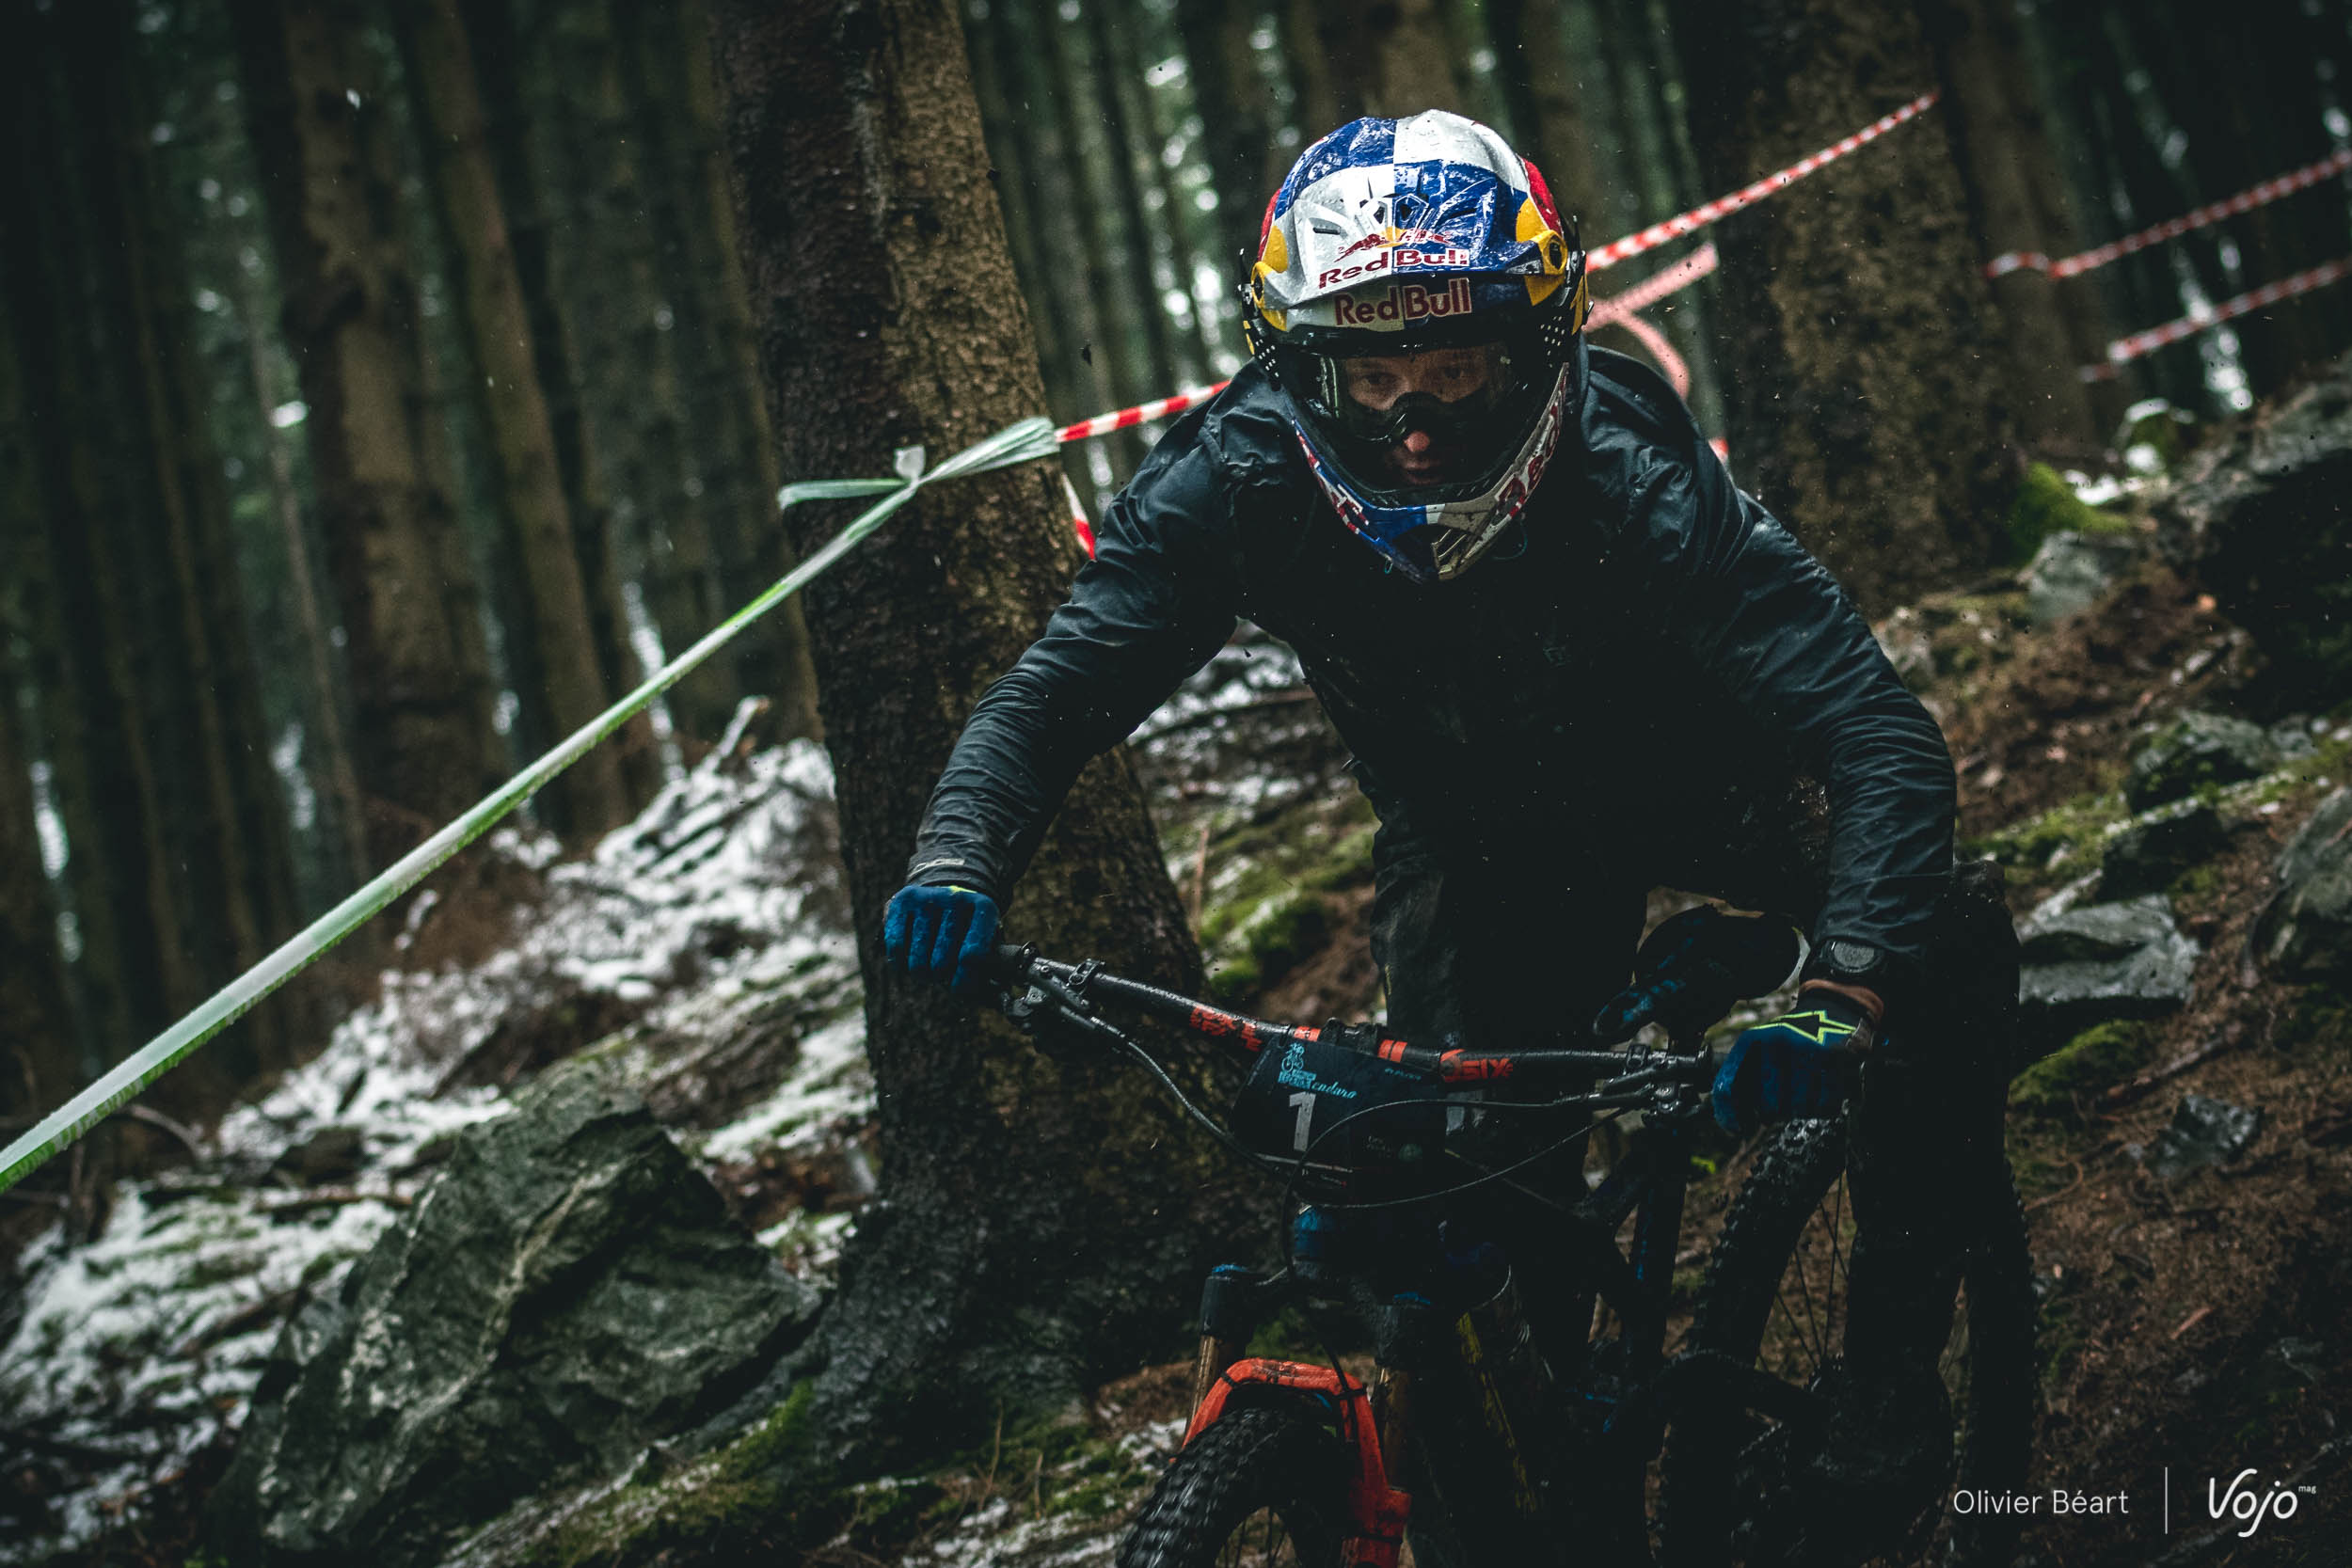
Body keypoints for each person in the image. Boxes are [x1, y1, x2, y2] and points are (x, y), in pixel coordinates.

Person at [883, 111, 2019, 1555]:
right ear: (1299, 367)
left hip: (1719, 787)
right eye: (1370, 377)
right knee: (1453, 1205)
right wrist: (958, 859)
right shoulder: (1238, 475)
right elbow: (1053, 693)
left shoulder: (1636, 472)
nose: (1414, 422)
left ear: (1536, 346)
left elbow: (1873, 731)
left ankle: (1893, 1389)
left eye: (1457, 368)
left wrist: (1845, 987)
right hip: (1479, 843)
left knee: (1948, 949)